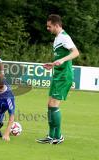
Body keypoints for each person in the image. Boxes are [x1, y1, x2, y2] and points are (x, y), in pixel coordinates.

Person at [36, 14, 79, 144]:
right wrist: (52, 64)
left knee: (54, 105)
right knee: (50, 105)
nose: (47, 28)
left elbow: (76, 52)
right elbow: (60, 58)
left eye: (49, 26)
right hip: (58, 75)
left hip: (64, 76)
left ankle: (58, 136)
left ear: (56, 25)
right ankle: (51, 136)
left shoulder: (64, 37)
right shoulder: (57, 38)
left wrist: (62, 60)